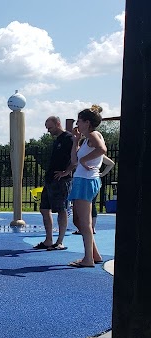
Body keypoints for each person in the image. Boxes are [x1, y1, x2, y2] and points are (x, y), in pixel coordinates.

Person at [64, 105, 109, 268]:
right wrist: (75, 141)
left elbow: (102, 149)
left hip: (86, 181)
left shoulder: (94, 134)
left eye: (79, 121)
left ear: (87, 122)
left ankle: (88, 259)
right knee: (78, 220)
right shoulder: (85, 139)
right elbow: (74, 160)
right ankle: (94, 255)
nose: (77, 123)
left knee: (84, 222)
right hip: (82, 180)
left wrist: (84, 160)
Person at [33, 116, 75, 251]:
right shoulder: (57, 140)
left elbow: (76, 157)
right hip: (51, 179)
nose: (48, 131)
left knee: (61, 209)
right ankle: (48, 239)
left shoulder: (69, 138)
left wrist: (66, 171)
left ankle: (60, 241)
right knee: (44, 208)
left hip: (61, 180)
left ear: (58, 124)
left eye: (50, 127)